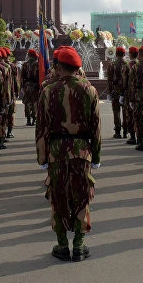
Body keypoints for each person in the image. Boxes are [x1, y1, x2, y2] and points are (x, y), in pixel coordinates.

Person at [35, 47, 100, 262]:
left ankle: (62, 245)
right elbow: (96, 127)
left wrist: (42, 158)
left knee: (59, 197)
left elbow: (41, 128)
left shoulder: (48, 91)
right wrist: (97, 156)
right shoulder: (90, 90)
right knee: (82, 196)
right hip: (82, 150)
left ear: (59, 67)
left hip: (56, 151)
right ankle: (79, 245)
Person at [107, 47, 128, 139]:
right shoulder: (128, 65)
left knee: (116, 112)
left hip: (115, 91)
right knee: (125, 112)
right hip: (125, 91)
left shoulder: (112, 65)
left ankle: (118, 132)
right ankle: (126, 131)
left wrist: (108, 92)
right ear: (124, 54)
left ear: (116, 54)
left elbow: (109, 80)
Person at [22, 49, 42, 128]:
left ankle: (28, 119)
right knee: (34, 102)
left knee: (27, 103)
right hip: (35, 86)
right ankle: (34, 119)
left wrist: (22, 86)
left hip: (27, 85)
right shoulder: (37, 64)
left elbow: (22, 77)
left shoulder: (25, 64)